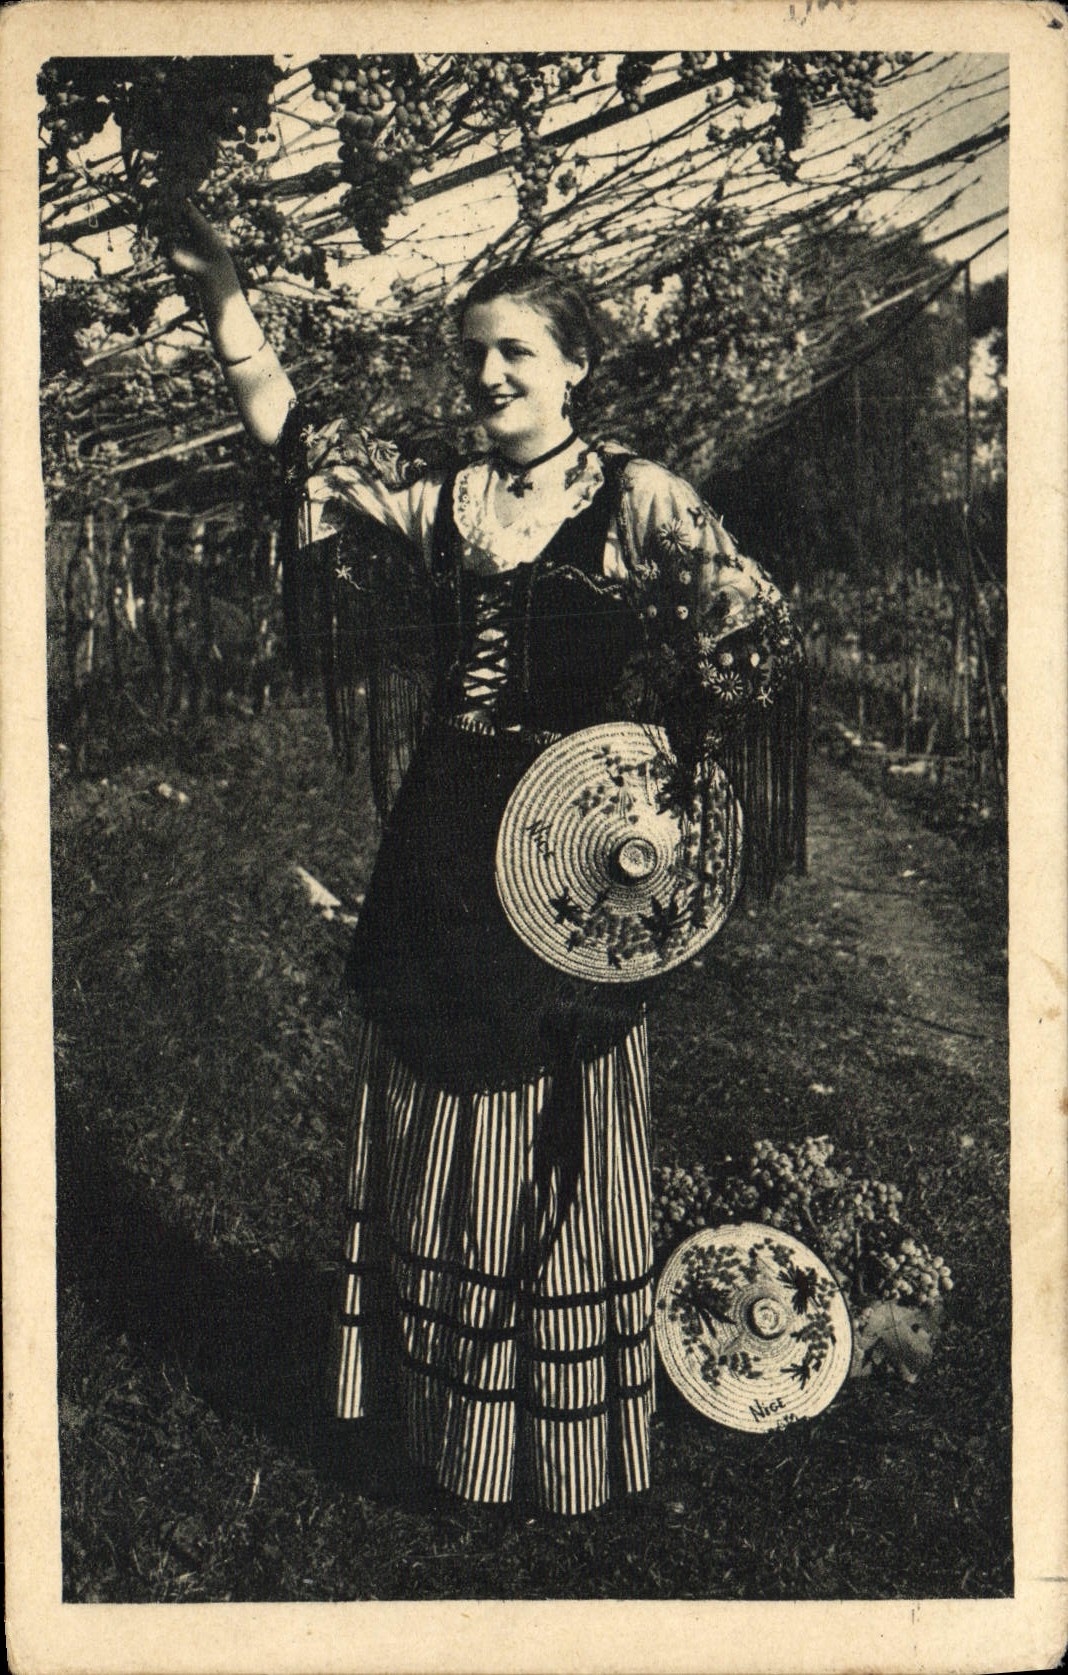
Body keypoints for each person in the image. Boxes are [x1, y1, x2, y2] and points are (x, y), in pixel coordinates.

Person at [171, 204, 806, 1516]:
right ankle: (447, 1429)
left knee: (554, 1113)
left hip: (576, 860)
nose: (489, 378)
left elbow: (753, 630)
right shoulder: (448, 499)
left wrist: (662, 752)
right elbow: (305, 456)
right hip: (448, 841)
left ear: (576, 362)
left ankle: (557, 1440)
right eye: (474, 357)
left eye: (515, 352)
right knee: (440, 1111)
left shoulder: (639, 496)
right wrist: (227, 301)